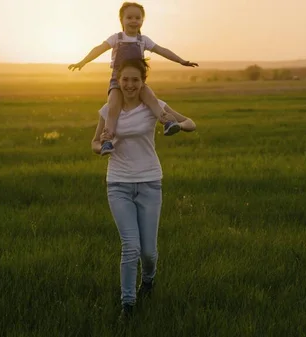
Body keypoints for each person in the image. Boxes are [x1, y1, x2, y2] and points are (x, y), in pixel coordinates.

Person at [91, 58, 196, 320]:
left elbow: (191, 123)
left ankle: (148, 281)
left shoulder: (154, 107)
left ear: (142, 82)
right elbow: (94, 142)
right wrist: (103, 148)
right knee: (130, 247)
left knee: (148, 252)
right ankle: (128, 304)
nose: (129, 85)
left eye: (135, 80)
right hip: (118, 184)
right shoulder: (108, 110)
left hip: (150, 183)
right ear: (118, 81)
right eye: (125, 79)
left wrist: (176, 124)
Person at [71, 1, 198, 155]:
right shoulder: (116, 38)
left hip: (139, 82)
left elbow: (162, 50)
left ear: (142, 21)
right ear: (121, 20)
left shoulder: (143, 40)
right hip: (118, 82)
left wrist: (181, 61)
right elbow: (99, 49)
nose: (133, 21)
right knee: (113, 109)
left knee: (151, 99)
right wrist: (83, 61)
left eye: (137, 18)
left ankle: (168, 122)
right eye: (129, 17)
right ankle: (107, 141)